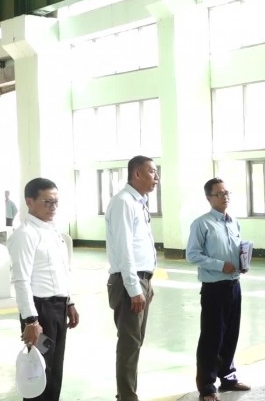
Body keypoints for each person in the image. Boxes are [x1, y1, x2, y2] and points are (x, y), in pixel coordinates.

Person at [8, 178, 80, 401]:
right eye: (47, 202)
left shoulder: (52, 231)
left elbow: (61, 271)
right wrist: (31, 321)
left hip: (58, 308)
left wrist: (69, 302)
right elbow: (21, 280)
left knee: (55, 371)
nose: (53, 207)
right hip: (40, 312)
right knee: (39, 372)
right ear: (29, 202)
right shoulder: (25, 234)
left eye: (56, 202)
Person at [187, 178, 251, 401]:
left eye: (227, 193)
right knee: (212, 337)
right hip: (214, 288)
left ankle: (229, 377)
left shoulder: (234, 222)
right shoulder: (201, 224)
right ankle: (207, 386)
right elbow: (192, 255)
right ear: (209, 198)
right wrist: (220, 265)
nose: (225, 197)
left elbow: (236, 249)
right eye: (219, 194)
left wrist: (242, 263)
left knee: (231, 334)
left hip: (234, 285)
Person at [105, 155, 159, 401]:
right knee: (129, 343)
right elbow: (124, 248)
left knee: (135, 342)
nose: (156, 177)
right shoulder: (123, 203)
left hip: (141, 280)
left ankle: (128, 394)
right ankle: (127, 397)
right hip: (130, 282)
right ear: (137, 174)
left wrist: (147, 285)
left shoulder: (139, 202)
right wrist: (135, 288)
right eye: (152, 172)